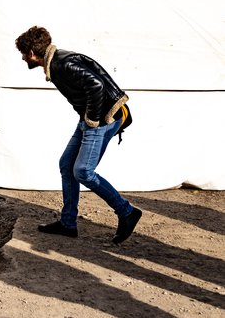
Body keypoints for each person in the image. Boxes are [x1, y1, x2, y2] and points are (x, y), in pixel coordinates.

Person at [15, 26, 141, 244]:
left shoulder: (62, 64)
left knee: (83, 171)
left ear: (33, 54)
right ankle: (68, 223)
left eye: (23, 54)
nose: (23, 58)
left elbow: (97, 85)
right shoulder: (56, 62)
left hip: (103, 119)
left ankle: (127, 212)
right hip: (91, 118)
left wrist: (91, 120)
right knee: (67, 164)